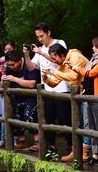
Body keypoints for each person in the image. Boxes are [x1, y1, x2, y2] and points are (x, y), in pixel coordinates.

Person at [24, 22, 68, 157]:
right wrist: (26, 55)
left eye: (41, 36)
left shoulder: (60, 43)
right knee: (48, 119)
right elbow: (32, 67)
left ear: (48, 32)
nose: (40, 39)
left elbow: (60, 60)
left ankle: (72, 147)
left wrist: (41, 52)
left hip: (62, 87)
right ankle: (52, 147)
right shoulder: (40, 49)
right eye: (37, 37)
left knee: (66, 118)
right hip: (46, 89)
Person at [71, 35, 98, 165]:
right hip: (91, 94)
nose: (93, 48)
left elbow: (91, 73)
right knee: (92, 126)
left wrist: (76, 68)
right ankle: (95, 154)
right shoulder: (93, 59)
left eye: (95, 46)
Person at [44, 43, 90, 163]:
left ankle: (86, 152)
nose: (53, 61)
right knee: (77, 124)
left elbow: (74, 76)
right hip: (77, 95)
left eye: (54, 58)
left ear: (61, 54)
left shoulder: (75, 57)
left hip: (88, 92)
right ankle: (76, 151)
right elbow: (54, 82)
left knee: (86, 124)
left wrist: (54, 73)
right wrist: (46, 79)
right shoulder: (62, 64)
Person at [0, 50, 39, 148]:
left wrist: (14, 79)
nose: (11, 67)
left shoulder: (29, 65)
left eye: (13, 64)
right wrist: (3, 80)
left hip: (30, 97)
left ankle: (38, 141)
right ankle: (20, 141)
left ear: (19, 61)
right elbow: (5, 83)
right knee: (17, 117)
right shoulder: (9, 68)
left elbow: (31, 84)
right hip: (16, 97)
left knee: (31, 117)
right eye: (9, 65)